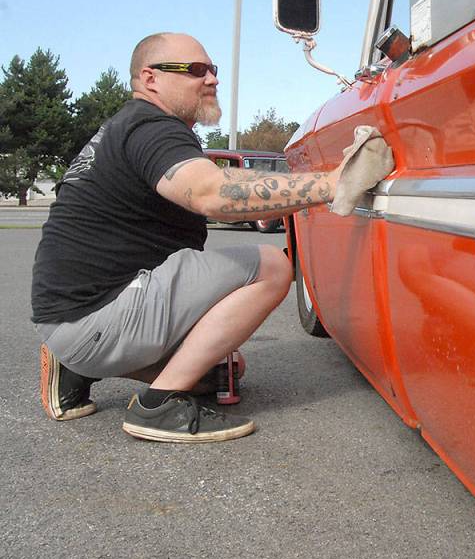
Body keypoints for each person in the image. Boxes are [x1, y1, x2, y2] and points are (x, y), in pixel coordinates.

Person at [32, 32, 353, 443]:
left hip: (78, 317)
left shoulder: (130, 127)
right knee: (272, 266)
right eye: (195, 70)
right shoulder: (151, 127)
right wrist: (332, 184)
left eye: (213, 69)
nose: (212, 79)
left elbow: (223, 179)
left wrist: (303, 186)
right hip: (96, 315)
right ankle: (158, 407)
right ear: (150, 79)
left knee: (223, 373)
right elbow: (211, 194)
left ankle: (76, 366)